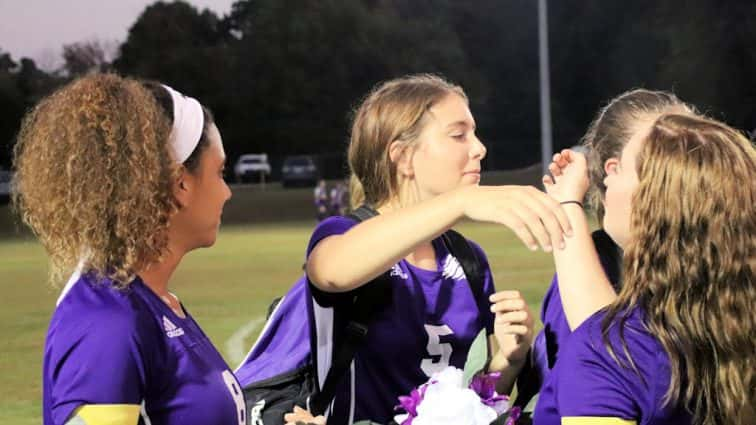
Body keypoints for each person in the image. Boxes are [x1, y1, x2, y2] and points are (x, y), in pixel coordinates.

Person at [286, 74, 573, 425]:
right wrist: (462, 201)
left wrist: (507, 362)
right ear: (403, 157)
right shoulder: (345, 235)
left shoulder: (468, 260)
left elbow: (470, 405)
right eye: (459, 135)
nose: (479, 148)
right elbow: (331, 271)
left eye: (474, 133)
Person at [13, 74, 245, 424]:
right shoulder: (107, 323)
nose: (227, 192)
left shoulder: (155, 303)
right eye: (220, 172)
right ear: (180, 184)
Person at [535, 114, 755, 424]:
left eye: (619, 167)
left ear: (657, 206)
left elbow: (615, 358)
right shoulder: (734, 324)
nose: (606, 177)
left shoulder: (608, 351)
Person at [517, 90, 697, 403]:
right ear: (613, 171)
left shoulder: (722, 257)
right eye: (658, 154)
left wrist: (569, 207)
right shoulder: (594, 262)